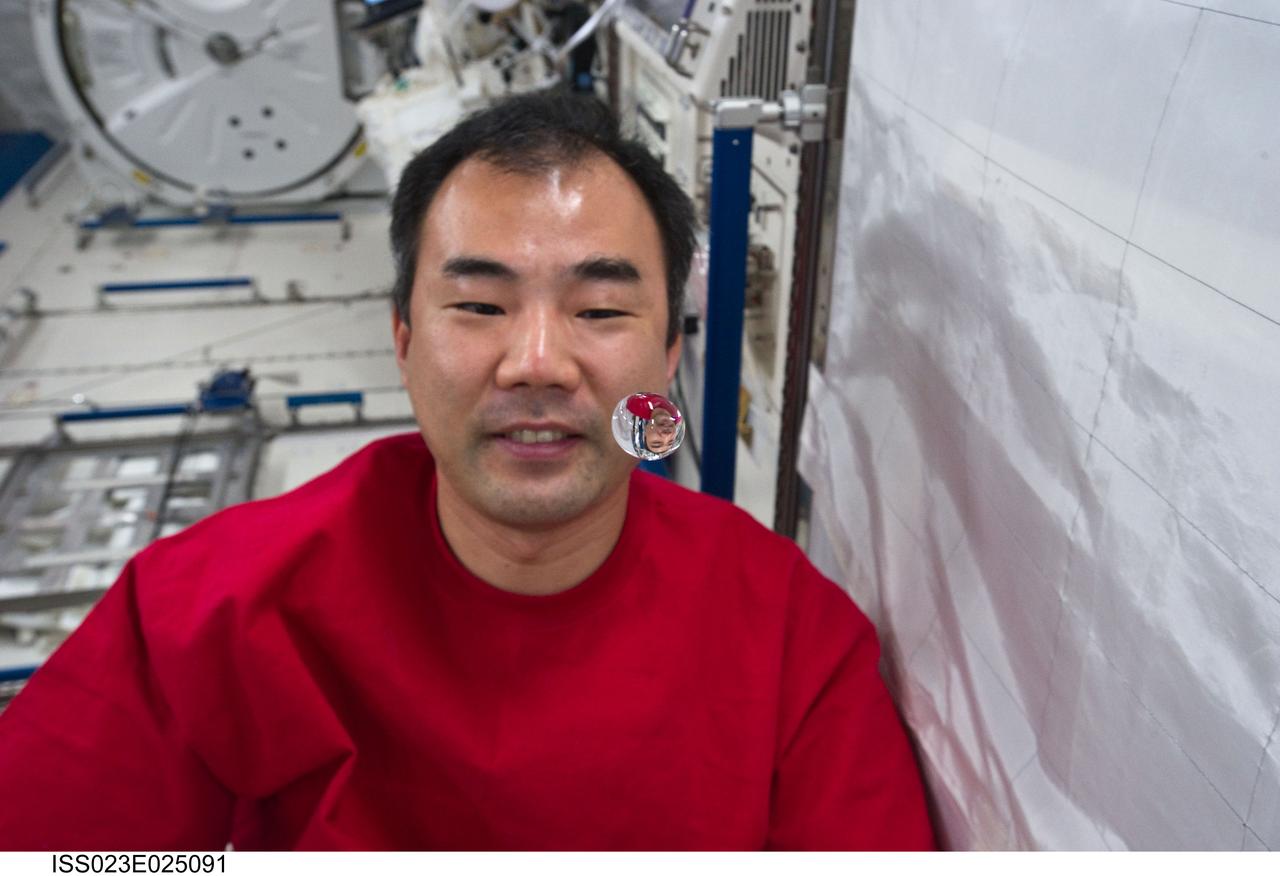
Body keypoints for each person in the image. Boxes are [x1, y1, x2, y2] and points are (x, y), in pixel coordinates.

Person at [0, 91, 934, 851]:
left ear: (666, 358)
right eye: (481, 306)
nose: (537, 363)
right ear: (403, 341)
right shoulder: (209, 613)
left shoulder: (792, 643)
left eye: (600, 311)